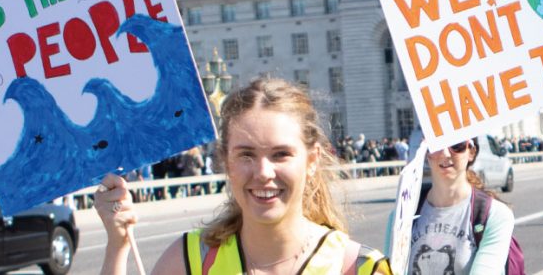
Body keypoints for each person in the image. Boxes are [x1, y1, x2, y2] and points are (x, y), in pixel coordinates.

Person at [96, 78, 390, 274]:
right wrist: (117, 246)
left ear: (312, 160)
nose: (263, 173)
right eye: (246, 155)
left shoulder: (359, 267)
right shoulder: (191, 260)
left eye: (280, 155)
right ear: (225, 160)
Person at [389, 137, 515, 274]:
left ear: (471, 152)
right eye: (436, 144)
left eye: (456, 145)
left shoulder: (495, 215)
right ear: (426, 152)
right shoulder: (401, 215)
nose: (445, 154)